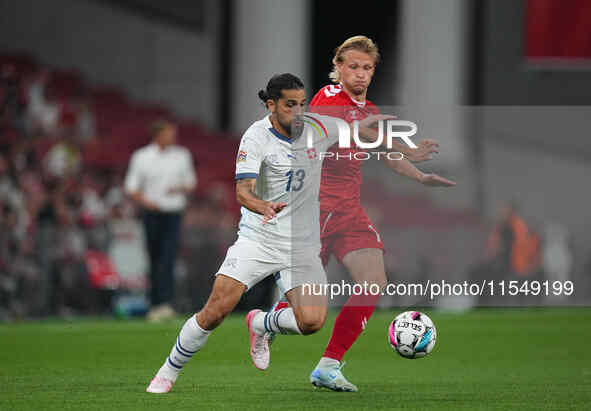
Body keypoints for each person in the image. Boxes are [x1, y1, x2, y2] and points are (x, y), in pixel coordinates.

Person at [145, 73, 394, 394]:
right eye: (290, 105)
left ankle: (261, 323)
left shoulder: (314, 128)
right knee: (216, 311)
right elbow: (242, 192)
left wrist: (395, 142)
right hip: (258, 238)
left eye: (303, 104)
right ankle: (168, 371)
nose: (298, 111)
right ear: (271, 105)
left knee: (312, 322)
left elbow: (354, 129)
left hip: (300, 244)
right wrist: (261, 206)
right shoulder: (255, 137)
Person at [271, 36, 455, 392]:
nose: (360, 74)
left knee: (374, 282)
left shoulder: (369, 108)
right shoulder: (327, 98)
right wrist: (404, 146)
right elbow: (348, 131)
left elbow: (383, 151)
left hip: (350, 212)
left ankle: (329, 365)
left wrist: (420, 176)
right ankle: (265, 323)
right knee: (304, 314)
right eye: (352, 66)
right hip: (316, 210)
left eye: (367, 68)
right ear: (338, 67)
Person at [124, 119, 197, 321]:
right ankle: (155, 303)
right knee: (154, 258)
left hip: (173, 213)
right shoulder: (142, 157)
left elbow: (190, 183)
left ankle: (165, 303)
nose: (173, 137)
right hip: (152, 213)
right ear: (157, 135)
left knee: (168, 258)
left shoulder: (182, 155)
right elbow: (131, 187)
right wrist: (147, 202)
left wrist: (179, 189)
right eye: (168, 133)